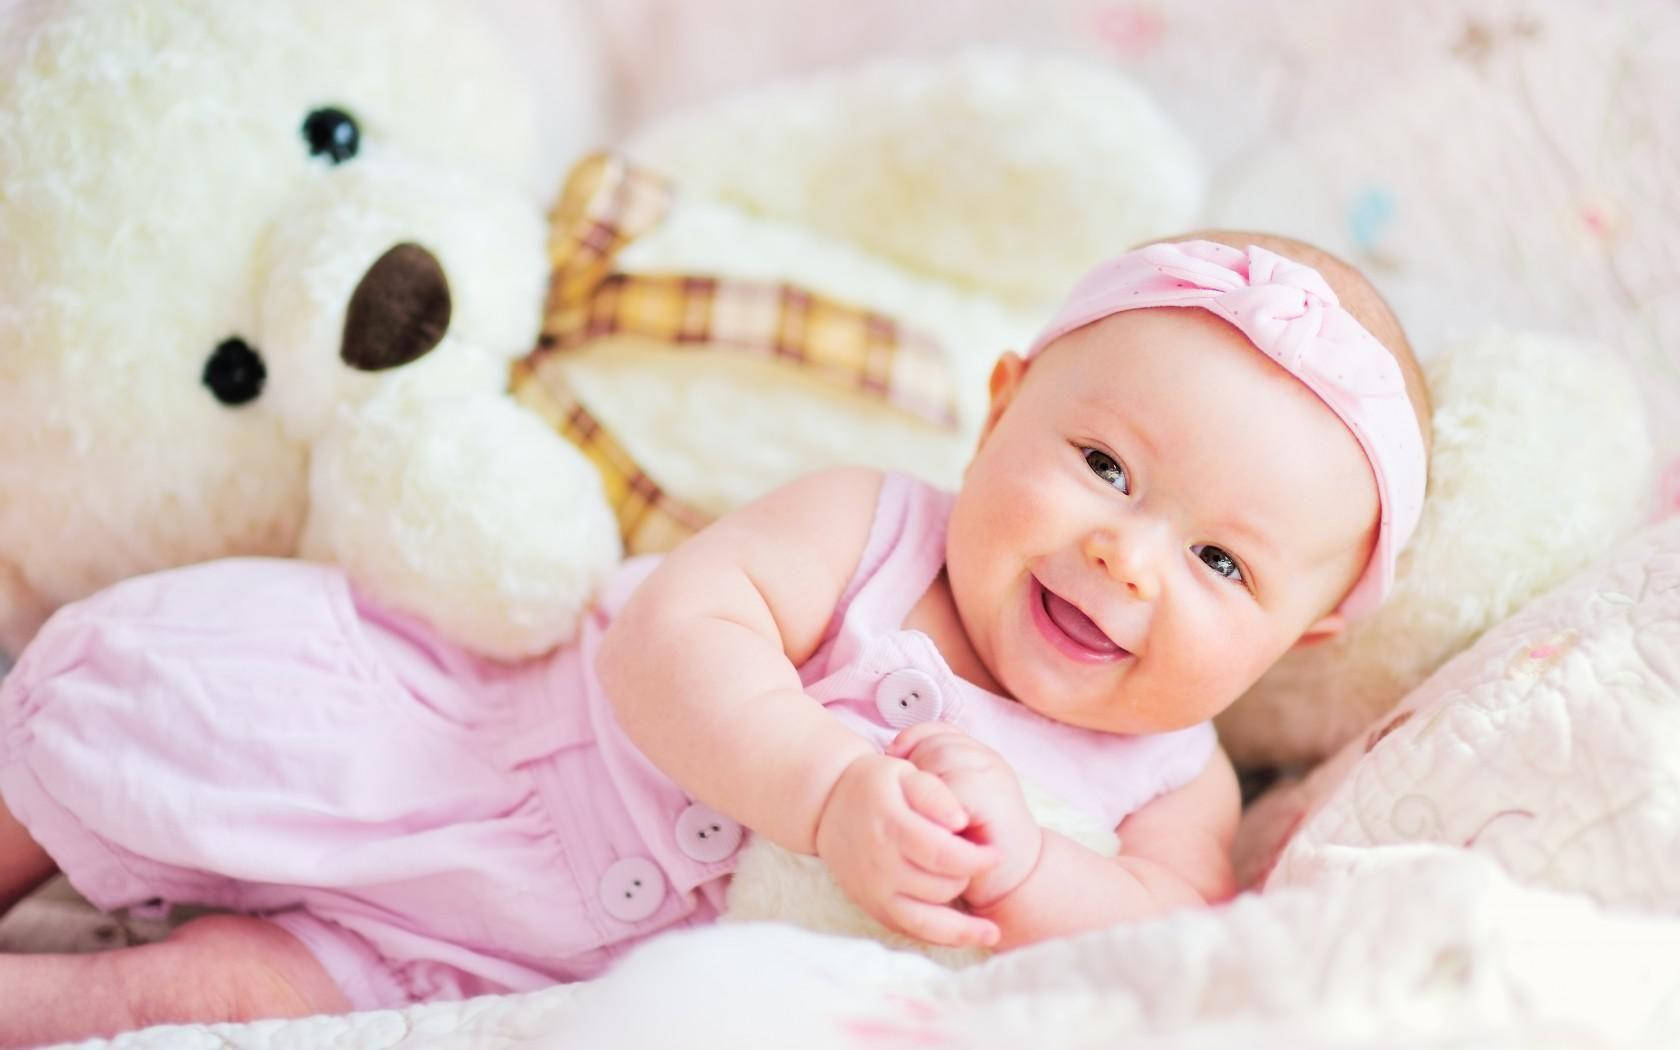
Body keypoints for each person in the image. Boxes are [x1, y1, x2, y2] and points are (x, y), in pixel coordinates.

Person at [0, 232, 1430, 1044]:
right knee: (141, 722)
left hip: (502, 976)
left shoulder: (1178, 780)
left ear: (1298, 638)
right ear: (1004, 404)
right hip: (458, 756)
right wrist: (826, 791)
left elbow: (1171, 939)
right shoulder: (874, 527)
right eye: (1106, 465)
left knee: (201, 1004)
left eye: (1220, 559)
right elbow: (671, 639)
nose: (1127, 551)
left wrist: (1032, 864)